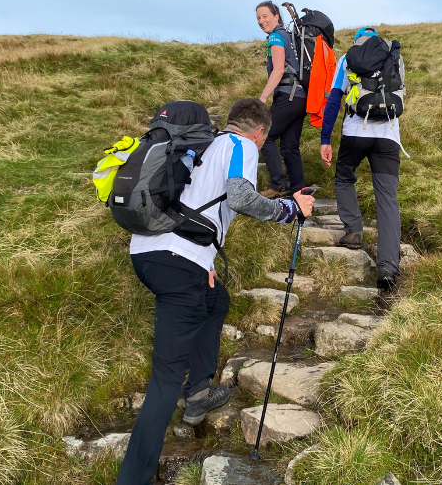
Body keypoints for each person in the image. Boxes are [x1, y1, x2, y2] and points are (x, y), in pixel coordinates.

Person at [115, 99, 315, 485]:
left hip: (149, 252)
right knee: (163, 381)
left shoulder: (200, 145)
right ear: (260, 133)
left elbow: (190, 204)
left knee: (216, 300)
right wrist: (291, 209)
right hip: (177, 261)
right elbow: (240, 198)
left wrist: (203, 262)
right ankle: (132, 479)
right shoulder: (240, 147)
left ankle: (199, 394)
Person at [319, 27, 406, 291]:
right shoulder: (395, 56)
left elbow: (334, 99)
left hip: (356, 131)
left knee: (344, 177)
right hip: (389, 135)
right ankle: (388, 267)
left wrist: (325, 139)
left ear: (357, 40)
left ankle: (354, 231)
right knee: (387, 198)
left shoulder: (349, 58)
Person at [255, 0, 307, 198]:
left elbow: (278, 71)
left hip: (288, 95)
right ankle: (299, 190)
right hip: (301, 96)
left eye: (265, 16)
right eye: (258, 18)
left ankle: (278, 185)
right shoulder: (291, 36)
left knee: (265, 136)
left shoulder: (276, 37)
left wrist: (263, 97)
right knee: (289, 146)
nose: (261, 21)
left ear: (276, 16)